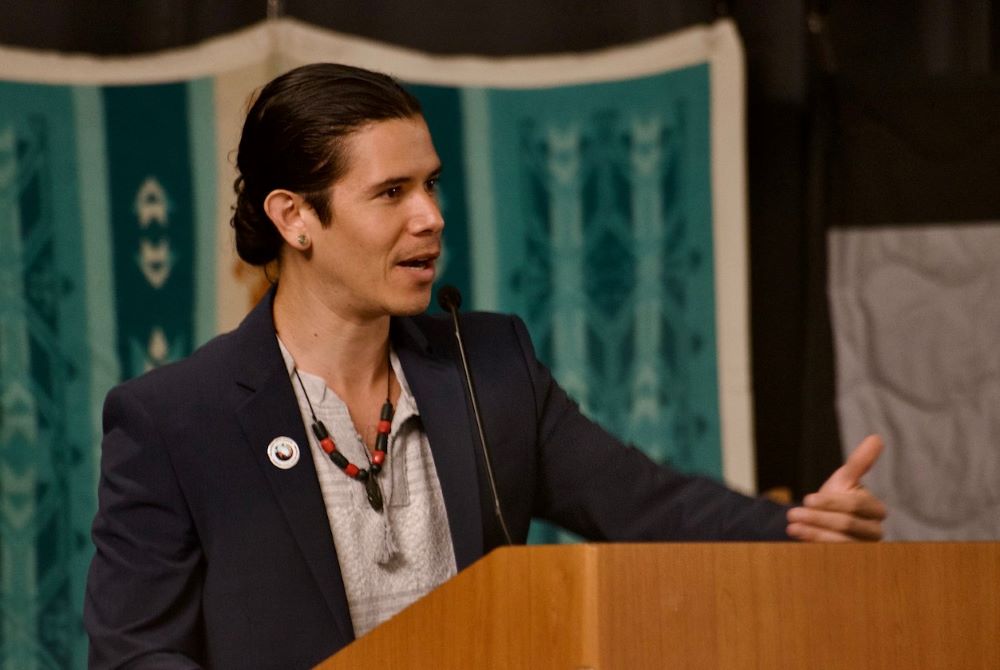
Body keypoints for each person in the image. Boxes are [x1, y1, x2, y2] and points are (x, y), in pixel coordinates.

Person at [84, 63, 887, 669]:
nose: (430, 218)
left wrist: (797, 530)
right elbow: (135, 655)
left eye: (431, 184)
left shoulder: (491, 364)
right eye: (391, 192)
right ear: (295, 217)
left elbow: (645, 505)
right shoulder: (175, 418)